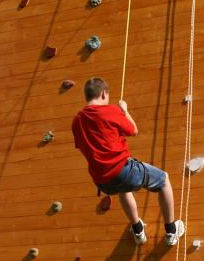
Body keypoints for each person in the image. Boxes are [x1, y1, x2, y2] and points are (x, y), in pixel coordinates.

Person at [72, 77, 185, 246]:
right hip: (123, 171)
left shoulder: (76, 121)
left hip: (102, 180)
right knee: (164, 180)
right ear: (104, 93)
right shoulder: (109, 111)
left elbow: (84, 146)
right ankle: (171, 231)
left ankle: (138, 231)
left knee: (123, 190)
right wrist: (125, 111)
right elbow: (133, 130)